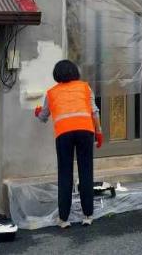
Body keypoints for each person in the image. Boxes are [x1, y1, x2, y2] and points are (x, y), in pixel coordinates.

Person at [36, 59, 104, 228]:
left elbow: (43, 116)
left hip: (64, 134)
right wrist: (99, 132)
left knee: (65, 174)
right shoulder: (84, 87)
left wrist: (37, 112)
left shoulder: (51, 93)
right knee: (86, 172)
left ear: (56, 75)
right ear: (75, 72)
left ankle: (64, 219)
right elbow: (94, 111)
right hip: (85, 131)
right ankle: (88, 215)